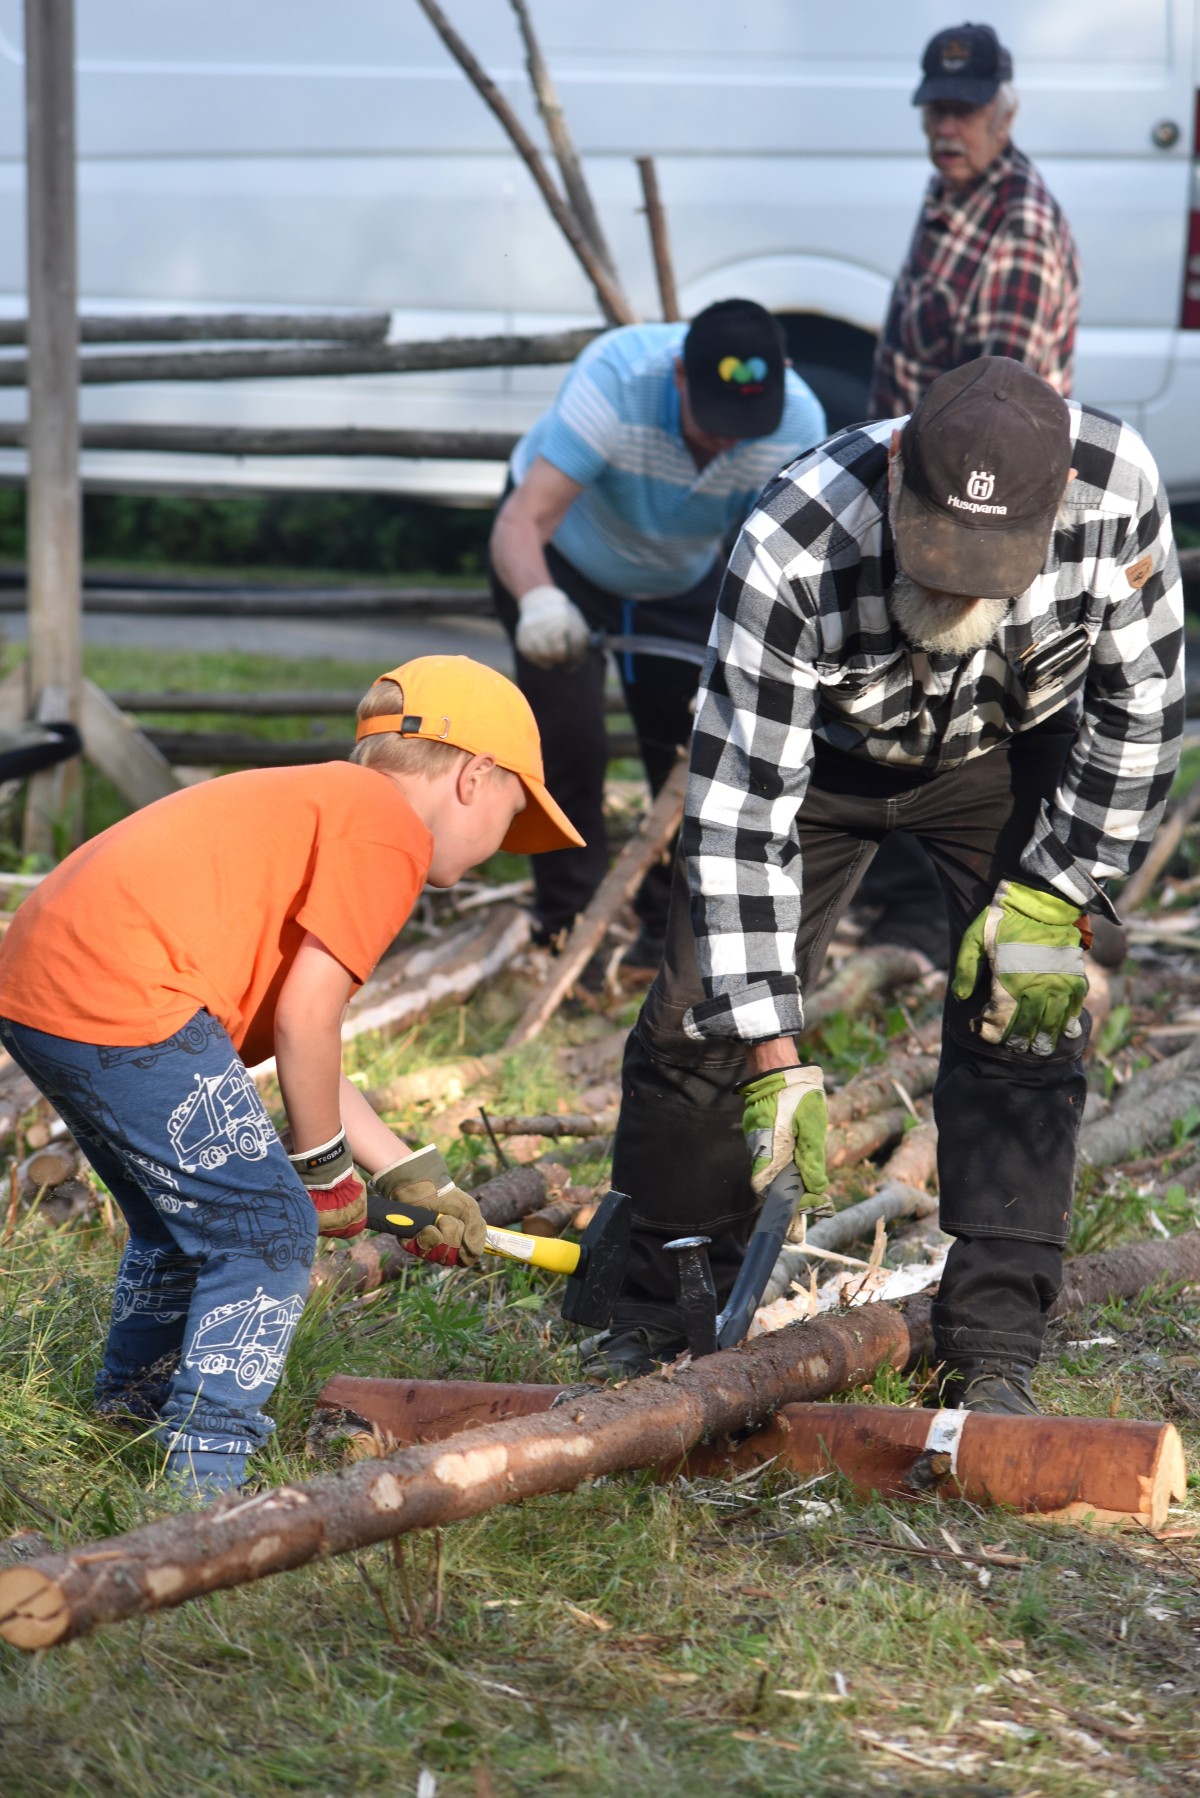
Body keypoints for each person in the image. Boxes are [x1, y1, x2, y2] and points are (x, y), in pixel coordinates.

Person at [593, 357, 1183, 1410]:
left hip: (1008, 750)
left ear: (1055, 512)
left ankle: (994, 1341)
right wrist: (772, 1050)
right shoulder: (795, 535)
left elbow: (1141, 708)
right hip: (820, 761)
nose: (954, 589)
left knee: (1029, 1015)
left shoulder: (1119, 488)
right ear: (903, 461)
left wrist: (1058, 890)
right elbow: (737, 807)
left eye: (985, 569)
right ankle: (652, 1306)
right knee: (701, 1014)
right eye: (938, 555)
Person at [0, 656, 582, 1494]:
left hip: (47, 978)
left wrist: (410, 1180)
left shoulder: (332, 808)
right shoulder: (389, 831)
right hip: (127, 991)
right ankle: (204, 1477)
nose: (501, 849)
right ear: (474, 777)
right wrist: (322, 1173)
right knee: (267, 1231)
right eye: (511, 817)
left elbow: (296, 1033)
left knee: (185, 1225)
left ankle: (129, 1414)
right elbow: (312, 1014)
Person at [489, 298, 826, 964]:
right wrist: (540, 604)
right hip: (566, 561)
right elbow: (519, 525)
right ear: (678, 375)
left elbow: (787, 559)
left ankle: (661, 941)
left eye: (744, 426)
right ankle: (566, 931)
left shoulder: (800, 421)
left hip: (684, 575)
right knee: (569, 743)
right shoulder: (615, 380)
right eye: (713, 422)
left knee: (692, 752)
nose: (728, 441)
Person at [868, 22, 1080, 423]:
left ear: (1006, 116)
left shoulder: (1019, 230)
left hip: (954, 475)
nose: (946, 129)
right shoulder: (952, 183)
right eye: (937, 110)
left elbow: (996, 412)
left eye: (964, 112)